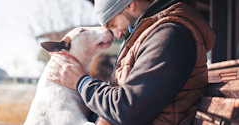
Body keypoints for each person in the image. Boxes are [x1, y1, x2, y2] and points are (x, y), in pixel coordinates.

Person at [48, 0, 216, 124]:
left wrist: (81, 82)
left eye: (113, 24)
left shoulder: (169, 36)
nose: (117, 35)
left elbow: (127, 110)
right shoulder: (149, 35)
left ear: (129, 4)